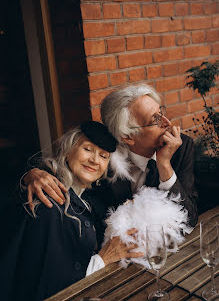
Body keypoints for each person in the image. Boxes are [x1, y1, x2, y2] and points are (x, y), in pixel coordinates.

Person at [0, 121, 143, 301]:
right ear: (68, 150)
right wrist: (104, 258)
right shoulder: (48, 204)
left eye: (103, 156)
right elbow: (54, 289)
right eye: (87, 149)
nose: (95, 160)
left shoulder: (91, 196)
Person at [23, 83, 198, 228]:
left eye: (161, 113)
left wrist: (164, 165)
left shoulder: (181, 147)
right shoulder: (105, 152)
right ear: (127, 137)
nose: (167, 123)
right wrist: (31, 175)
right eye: (155, 120)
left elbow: (189, 219)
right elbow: (64, 162)